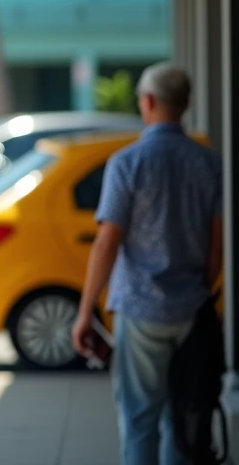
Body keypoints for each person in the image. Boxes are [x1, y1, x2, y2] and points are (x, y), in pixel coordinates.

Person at [72, 63, 223, 465]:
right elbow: (216, 247)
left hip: (140, 310)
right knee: (183, 418)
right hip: (192, 309)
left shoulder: (127, 162)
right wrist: (200, 293)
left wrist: (86, 311)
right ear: (186, 104)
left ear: (149, 102)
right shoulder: (209, 163)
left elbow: (107, 242)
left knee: (141, 420)